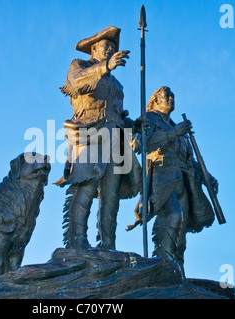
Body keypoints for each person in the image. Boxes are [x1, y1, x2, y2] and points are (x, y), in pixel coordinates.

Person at [55, 26, 142, 250]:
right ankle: (77, 241)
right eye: (107, 46)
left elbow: (118, 115)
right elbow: (75, 84)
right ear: (94, 48)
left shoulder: (117, 84)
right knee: (85, 185)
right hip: (88, 132)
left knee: (110, 195)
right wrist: (104, 67)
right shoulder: (80, 65)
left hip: (115, 139)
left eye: (113, 48)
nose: (111, 50)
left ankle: (108, 245)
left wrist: (135, 125)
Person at [128, 86, 218, 274]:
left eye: (173, 96)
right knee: (173, 217)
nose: (171, 98)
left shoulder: (178, 126)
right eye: (166, 95)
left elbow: (190, 158)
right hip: (162, 177)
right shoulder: (148, 119)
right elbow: (138, 145)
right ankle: (163, 268)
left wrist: (207, 176)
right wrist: (173, 133)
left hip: (183, 180)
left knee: (181, 235)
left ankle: (178, 273)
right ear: (155, 100)